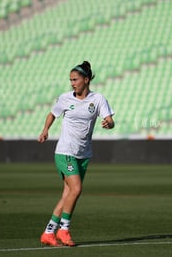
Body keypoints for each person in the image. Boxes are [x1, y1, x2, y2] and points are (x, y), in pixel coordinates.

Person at [37, 61, 115, 246]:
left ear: (86, 80)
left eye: (75, 79)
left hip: (84, 153)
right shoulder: (65, 98)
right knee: (77, 189)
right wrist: (45, 129)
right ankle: (64, 229)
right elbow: (52, 114)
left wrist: (108, 124)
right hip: (65, 151)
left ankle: (48, 233)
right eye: (70, 80)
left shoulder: (98, 99)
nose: (72, 83)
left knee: (68, 194)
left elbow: (110, 120)